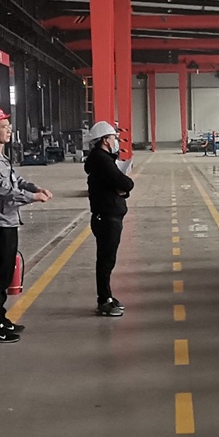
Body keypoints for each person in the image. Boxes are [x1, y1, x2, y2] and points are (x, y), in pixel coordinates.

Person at [0, 105, 51, 343]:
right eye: (3, 126)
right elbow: (1, 189)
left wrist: (33, 187)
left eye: (8, 126)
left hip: (7, 220)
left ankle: (0, 318)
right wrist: (32, 197)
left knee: (6, 273)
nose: (9, 130)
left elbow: (13, 179)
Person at [85, 121, 135, 317]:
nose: (116, 141)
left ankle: (106, 296)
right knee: (106, 261)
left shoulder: (101, 160)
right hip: (107, 217)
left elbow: (118, 186)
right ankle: (104, 300)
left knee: (107, 259)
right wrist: (124, 186)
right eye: (114, 137)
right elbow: (125, 183)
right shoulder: (103, 161)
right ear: (105, 140)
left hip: (107, 215)